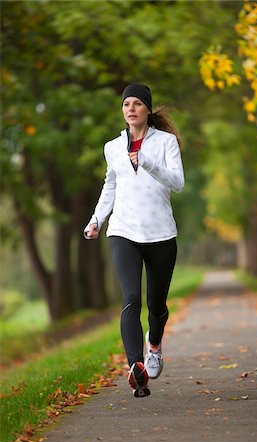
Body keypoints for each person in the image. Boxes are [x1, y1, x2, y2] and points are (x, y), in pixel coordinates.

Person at [84, 83, 184, 398]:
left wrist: (149, 162)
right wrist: (97, 218)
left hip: (161, 233)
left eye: (137, 103)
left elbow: (178, 183)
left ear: (147, 109)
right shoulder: (112, 147)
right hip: (123, 230)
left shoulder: (166, 142)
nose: (131, 109)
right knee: (130, 298)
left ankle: (154, 345)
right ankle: (136, 368)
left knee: (156, 305)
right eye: (126, 103)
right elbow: (110, 185)